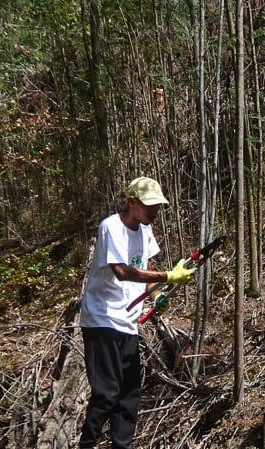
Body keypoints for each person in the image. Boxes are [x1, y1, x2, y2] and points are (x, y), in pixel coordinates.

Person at [78, 177, 195, 449]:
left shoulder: (145, 231)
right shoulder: (111, 227)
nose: (154, 211)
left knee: (129, 394)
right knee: (107, 393)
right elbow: (122, 271)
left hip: (128, 322)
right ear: (132, 202)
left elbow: (146, 268)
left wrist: (157, 295)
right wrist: (168, 276)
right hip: (102, 318)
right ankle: (87, 444)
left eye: (158, 206)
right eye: (149, 205)